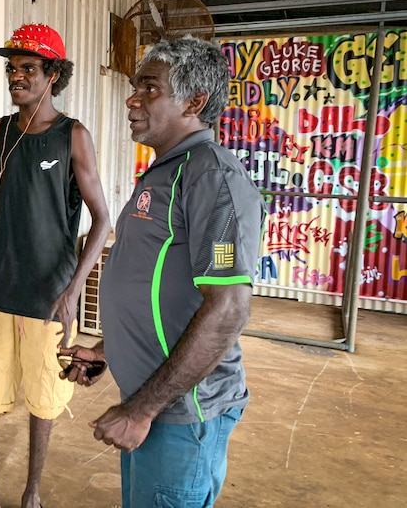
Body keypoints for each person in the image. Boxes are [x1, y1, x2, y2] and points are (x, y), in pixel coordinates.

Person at [60, 36, 265, 507]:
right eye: (135, 87)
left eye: (149, 88)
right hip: (153, 402)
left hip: (180, 411)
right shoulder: (166, 172)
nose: (132, 99)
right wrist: (111, 350)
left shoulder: (212, 178)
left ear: (195, 101)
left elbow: (229, 308)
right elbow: (161, 290)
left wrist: (142, 408)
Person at [0, 23, 111, 508]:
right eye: (12, 68)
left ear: (53, 74)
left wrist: (74, 287)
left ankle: (32, 494)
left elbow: (102, 219)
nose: (16, 76)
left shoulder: (72, 136)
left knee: (44, 398)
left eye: (28, 68)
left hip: (49, 298)